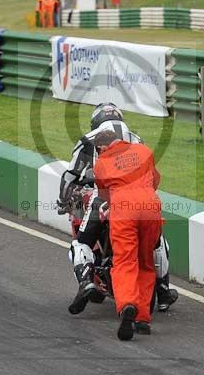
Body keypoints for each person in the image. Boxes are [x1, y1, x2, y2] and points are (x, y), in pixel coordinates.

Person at [58, 103, 178, 316]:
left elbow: (70, 176)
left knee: (81, 242)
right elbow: (152, 176)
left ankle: (86, 281)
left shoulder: (87, 140)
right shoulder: (137, 139)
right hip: (143, 200)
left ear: (95, 122)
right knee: (158, 241)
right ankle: (163, 289)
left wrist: (62, 200)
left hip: (104, 198)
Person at [93, 128, 163, 340]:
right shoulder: (143, 150)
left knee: (124, 262)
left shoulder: (101, 163)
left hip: (124, 209)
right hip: (151, 207)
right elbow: (155, 181)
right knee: (145, 262)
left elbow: (104, 195)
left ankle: (127, 306)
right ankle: (143, 318)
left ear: (103, 148)